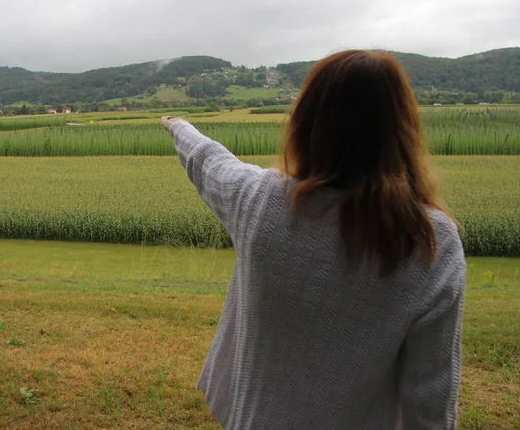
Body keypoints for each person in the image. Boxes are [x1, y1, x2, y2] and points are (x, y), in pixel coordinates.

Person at [161, 50, 466, 429]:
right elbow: (430, 401)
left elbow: (210, 163)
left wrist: (176, 123)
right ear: (402, 130)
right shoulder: (430, 242)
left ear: (307, 123)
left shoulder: (262, 201)